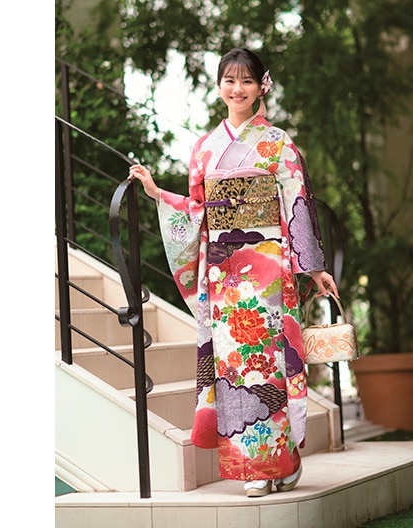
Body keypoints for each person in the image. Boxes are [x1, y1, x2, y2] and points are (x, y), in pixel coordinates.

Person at [128, 47, 339, 498]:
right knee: (235, 368)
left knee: (270, 363)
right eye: (229, 80)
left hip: (269, 265)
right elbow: (198, 210)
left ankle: (281, 459)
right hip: (224, 272)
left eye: (246, 80)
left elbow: (298, 205)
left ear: (262, 86)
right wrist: (157, 193)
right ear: (219, 86)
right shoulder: (205, 149)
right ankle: (257, 467)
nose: (237, 88)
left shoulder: (278, 143)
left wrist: (314, 267)